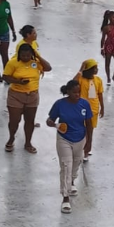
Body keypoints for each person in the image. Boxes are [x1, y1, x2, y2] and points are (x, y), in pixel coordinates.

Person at [45, 80, 93, 213]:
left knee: (77, 162)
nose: (77, 95)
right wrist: (54, 124)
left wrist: (89, 141)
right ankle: (65, 197)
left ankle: (71, 182)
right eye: (74, 92)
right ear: (68, 92)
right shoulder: (59, 104)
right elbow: (49, 120)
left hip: (80, 138)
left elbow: (89, 124)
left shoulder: (84, 104)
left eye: (79, 92)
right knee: (66, 166)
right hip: (64, 139)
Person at [3, 44, 52, 154]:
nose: (25, 58)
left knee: (30, 121)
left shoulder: (36, 62)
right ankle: (11, 138)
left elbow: (48, 68)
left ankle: (28, 143)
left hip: (33, 96)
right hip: (16, 95)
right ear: (19, 54)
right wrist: (18, 82)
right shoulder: (13, 63)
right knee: (14, 120)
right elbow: (5, 77)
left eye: (28, 55)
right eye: (23, 55)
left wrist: (38, 56)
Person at [73, 59, 103, 161]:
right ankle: (81, 148)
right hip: (81, 109)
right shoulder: (81, 80)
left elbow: (100, 94)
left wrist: (102, 107)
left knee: (90, 131)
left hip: (93, 110)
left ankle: (87, 150)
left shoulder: (98, 80)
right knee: (81, 130)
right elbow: (72, 83)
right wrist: (80, 69)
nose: (96, 70)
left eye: (96, 68)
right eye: (94, 68)